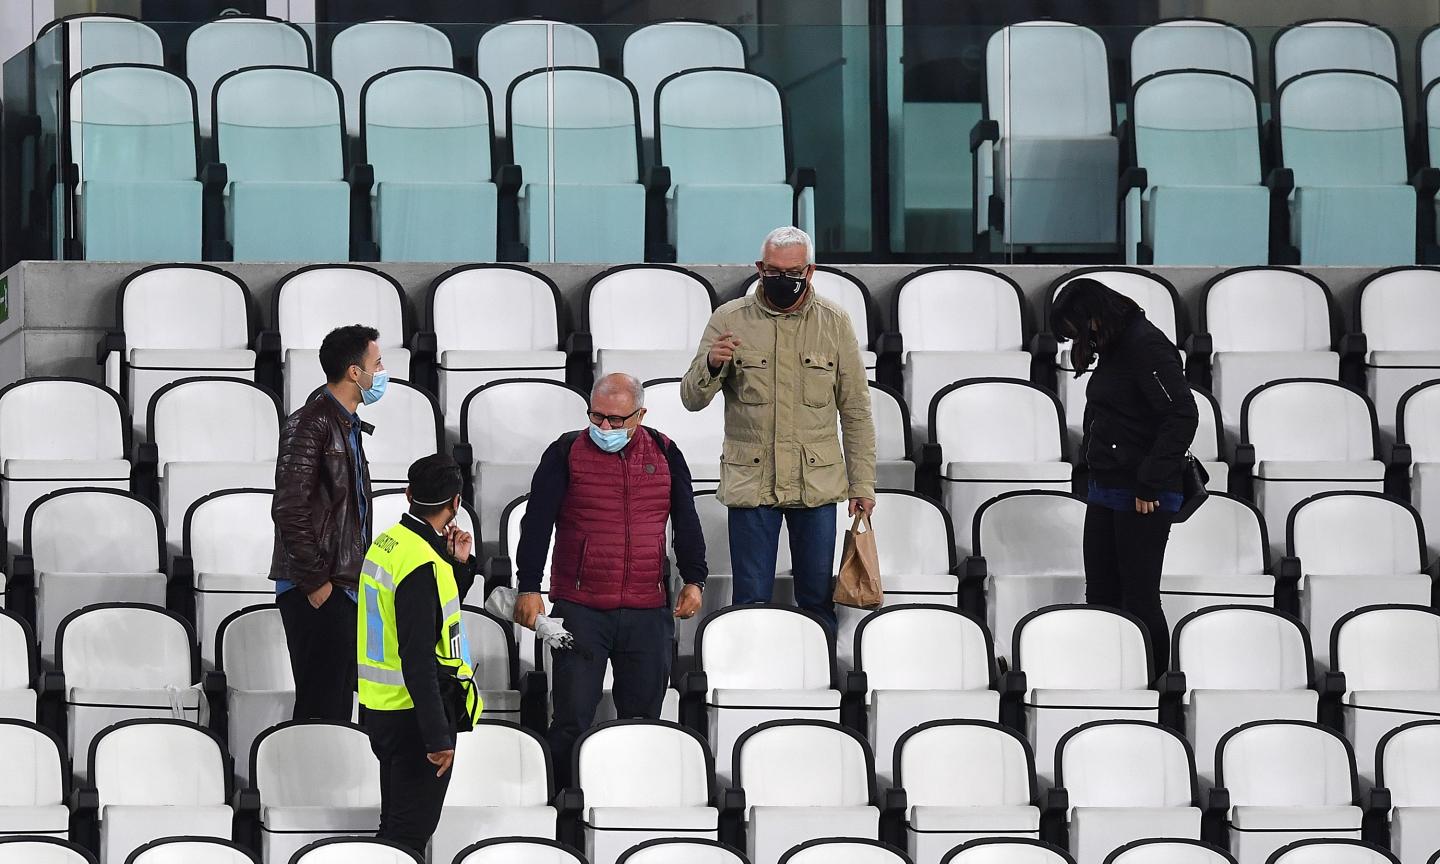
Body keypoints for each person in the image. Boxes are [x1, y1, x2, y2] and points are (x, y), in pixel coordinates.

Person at [513, 373, 706, 787]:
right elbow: (537, 524)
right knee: (570, 719)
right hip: (579, 611)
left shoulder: (667, 452)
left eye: (615, 421)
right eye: (596, 417)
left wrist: (695, 578)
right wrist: (528, 587)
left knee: (642, 722)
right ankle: (563, 806)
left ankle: (631, 796)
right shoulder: (565, 451)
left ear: (640, 414)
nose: (603, 428)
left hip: (648, 612)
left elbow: (686, 521)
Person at [679, 226, 875, 632]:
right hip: (753, 483)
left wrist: (863, 486)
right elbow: (691, 399)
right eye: (773, 271)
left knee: (817, 599)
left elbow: (855, 410)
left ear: (810, 271)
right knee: (750, 600)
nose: (783, 280)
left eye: (793, 272)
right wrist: (711, 365)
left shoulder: (835, 323)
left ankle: (818, 677)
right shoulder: (729, 319)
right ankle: (751, 683)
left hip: (816, 484)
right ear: (759, 268)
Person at [1051, 278, 1198, 673]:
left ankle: (1152, 685)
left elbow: (1182, 415)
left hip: (1142, 492)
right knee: (1101, 593)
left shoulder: (1144, 345)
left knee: (1139, 596)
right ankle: (1107, 676)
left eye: (1073, 328)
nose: (1072, 339)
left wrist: (1150, 480)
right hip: (1108, 485)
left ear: (1091, 317)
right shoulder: (1116, 345)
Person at [357, 454, 482, 855]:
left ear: (409, 495)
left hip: (382, 707)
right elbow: (418, 657)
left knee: (394, 827)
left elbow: (429, 616)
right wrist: (437, 737)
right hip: (414, 716)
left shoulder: (388, 543)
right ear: (455, 503)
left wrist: (459, 566)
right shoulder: (422, 562)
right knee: (407, 837)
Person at [270, 324, 386, 721]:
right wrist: (315, 581)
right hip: (317, 586)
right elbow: (289, 506)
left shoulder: (346, 425)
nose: (382, 371)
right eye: (378, 363)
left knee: (337, 705)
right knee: (321, 707)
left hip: (342, 586)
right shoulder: (312, 422)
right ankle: (303, 784)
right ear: (355, 372)